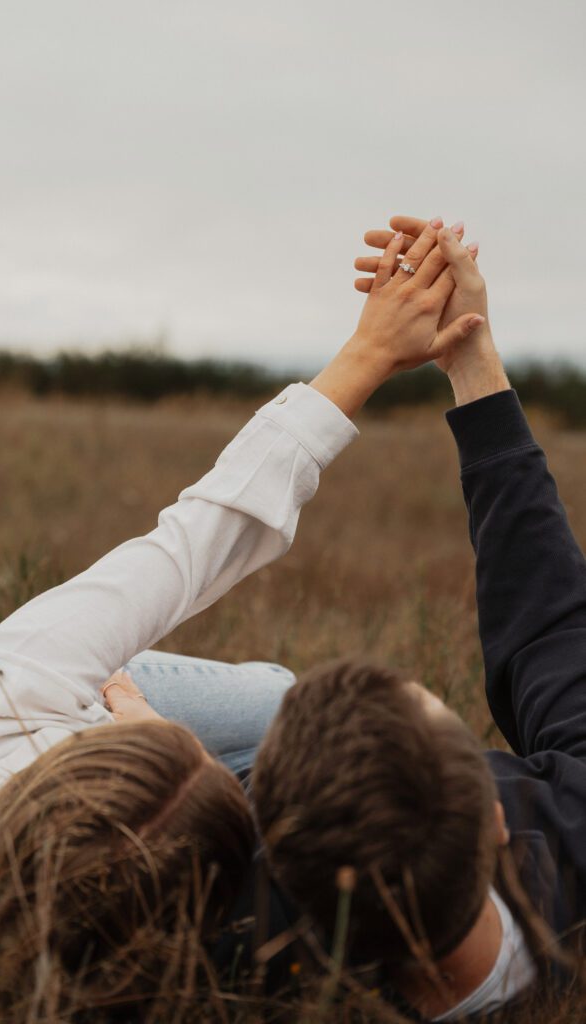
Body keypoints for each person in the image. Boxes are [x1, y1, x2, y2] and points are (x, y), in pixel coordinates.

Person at [0, 219, 481, 1017]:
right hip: (123, 781)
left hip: (65, 704)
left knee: (285, 705)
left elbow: (198, 539)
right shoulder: (155, 940)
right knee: (313, 788)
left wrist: (370, 352)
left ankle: (200, 748)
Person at [252, 219, 586, 1019]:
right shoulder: (572, 845)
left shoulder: (214, 905)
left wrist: (144, 747)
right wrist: (469, 355)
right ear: (497, 826)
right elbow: (551, 632)